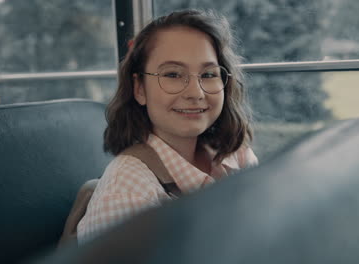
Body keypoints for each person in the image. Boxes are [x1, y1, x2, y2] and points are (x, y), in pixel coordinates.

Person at [74, 9, 258, 244]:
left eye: (208, 73)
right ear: (139, 89)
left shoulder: (237, 155)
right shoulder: (126, 194)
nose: (195, 93)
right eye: (172, 74)